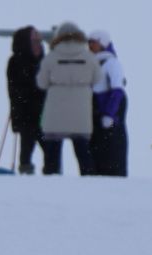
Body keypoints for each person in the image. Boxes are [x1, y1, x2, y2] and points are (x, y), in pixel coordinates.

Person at [36, 22, 99, 175]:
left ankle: (51, 180)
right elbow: (98, 79)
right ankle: (88, 178)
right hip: (81, 107)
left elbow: (41, 83)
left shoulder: (51, 57)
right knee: (82, 151)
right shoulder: (89, 57)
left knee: (52, 153)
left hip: (56, 107)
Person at [6, 27, 53, 173]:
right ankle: (27, 176)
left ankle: (51, 175)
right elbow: (14, 91)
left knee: (49, 148)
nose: (39, 44)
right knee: (27, 147)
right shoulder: (16, 62)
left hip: (44, 113)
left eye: (39, 41)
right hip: (26, 113)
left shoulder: (45, 62)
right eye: (34, 41)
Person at [89, 30, 129, 177]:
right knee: (97, 154)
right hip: (95, 116)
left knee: (112, 153)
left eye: (93, 42)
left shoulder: (111, 63)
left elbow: (117, 89)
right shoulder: (92, 64)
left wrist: (109, 114)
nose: (90, 46)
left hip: (108, 117)